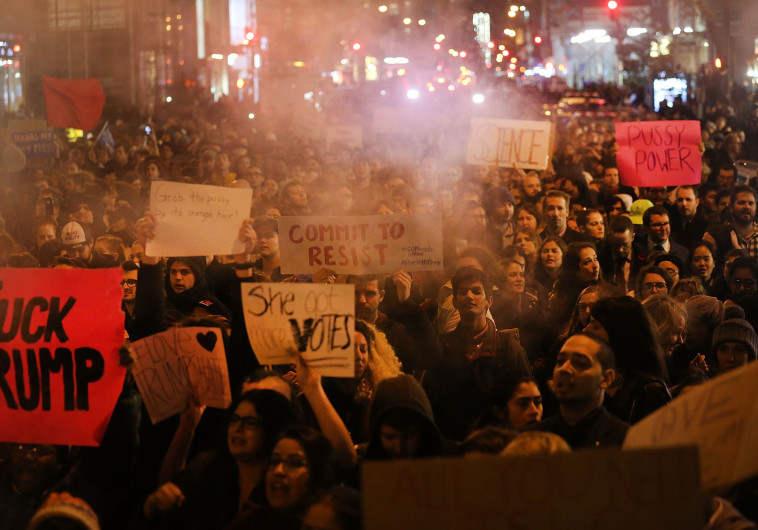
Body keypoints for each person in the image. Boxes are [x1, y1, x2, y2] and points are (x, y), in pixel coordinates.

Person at [140, 390, 300, 529]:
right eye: (235, 419)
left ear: (272, 428)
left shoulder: (282, 487)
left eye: (250, 423)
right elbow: (169, 495)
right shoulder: (208, 470)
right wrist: (151, 506)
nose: (238, 429)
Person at [424, 266, 530, 440]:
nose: (469, 296)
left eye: (476, 291)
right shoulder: (442, 347)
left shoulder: (509, 347)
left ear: (489, 301)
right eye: (463, 292)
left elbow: (526, 398)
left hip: (501, 441)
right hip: (454, 445)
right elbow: (432, 403)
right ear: (455, 301)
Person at [527, 333, 629, 448]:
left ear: (606, 378)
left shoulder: (626, 440)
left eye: (580, 363)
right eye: (560, 361)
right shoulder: (530, 441)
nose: (564, 369)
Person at [225, 426, 338, 530]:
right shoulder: (249, 521)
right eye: (274, 461)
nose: (278, 471)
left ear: (319, 473)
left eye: (295, 464)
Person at [584, 297, 671, 424]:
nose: (585, 330)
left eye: (595, 326)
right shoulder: (591, 378)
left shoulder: (648, 391)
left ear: (618, 334)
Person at [704, 185, 758, 262]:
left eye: (751, 203)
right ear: (731, 207)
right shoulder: (719, 235)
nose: (747, 207)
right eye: (741, 202)